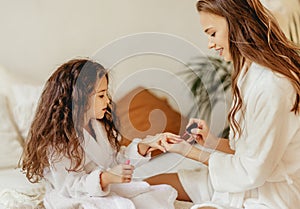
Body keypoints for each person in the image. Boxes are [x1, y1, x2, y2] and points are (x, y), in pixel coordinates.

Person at [145, 0, 300, 208]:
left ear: (236, 24)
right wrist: (211, 141)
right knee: (143, 187)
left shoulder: (273, 86)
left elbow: (252, 170)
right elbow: (246, 151)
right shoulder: (247, 72)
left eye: (212, 33)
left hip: (269, 195)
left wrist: (188, 151)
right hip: (239, 181)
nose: (210, 44)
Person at [21, 58, 179, 209]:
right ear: (79, 99)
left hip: (103, 190)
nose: (108, 101)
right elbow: (69, 187)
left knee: (153, 199)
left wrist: (144, 146)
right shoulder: (59, 140)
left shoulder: (97, 125)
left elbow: (115, 159)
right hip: (75, 196)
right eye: (101, 95)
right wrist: (106, 178)